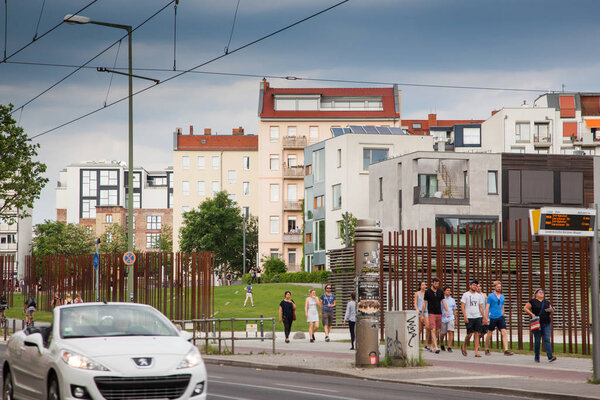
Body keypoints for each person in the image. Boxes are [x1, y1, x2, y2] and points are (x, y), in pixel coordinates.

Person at [524, 288, 557, 363]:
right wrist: (532, 315)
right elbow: (525, 308)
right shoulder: (532, 301)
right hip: (537, 323)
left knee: (547, 339)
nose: (541, 293)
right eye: (539, 292)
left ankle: (550, 356)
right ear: (536, 294)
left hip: (546, 322)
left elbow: (550, 311)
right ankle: (537, 357)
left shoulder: (546, 302)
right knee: (537, 340)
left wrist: (551, 311)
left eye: (542, 292)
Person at [485, 281, 513, 356]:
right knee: (490, 332)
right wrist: (486, 317)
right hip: (492, 316)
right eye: (497, 287)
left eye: (500, 287)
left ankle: (506, 349)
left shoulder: (502, 296)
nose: (499, 288)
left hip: (500, 316)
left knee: (504, 331)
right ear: (494, 287)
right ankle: (487, 348)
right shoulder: (490, 296)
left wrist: (503, 312)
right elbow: (487, 307)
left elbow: (502, 306)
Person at [422, 277, 449, 354]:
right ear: (433, 283)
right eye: (435, 283)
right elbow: (424, 303)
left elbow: (443, 302)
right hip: (431, 313)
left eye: (438, 284)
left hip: (439, 313)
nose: (437, 285)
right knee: (433, 329)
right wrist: (422, 314)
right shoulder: (428, 292)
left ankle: (432, 346)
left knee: (437, 330)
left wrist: (447, 311)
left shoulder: (440, 292)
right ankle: (436, 347)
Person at [461, 280, 486, 357]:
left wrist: (484, 317)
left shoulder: (479, 296)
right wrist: (464, 316)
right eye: (473, 285)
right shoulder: (466, 295)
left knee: (477, 333)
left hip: (477, 316)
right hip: (469, 316)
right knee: (469, 334)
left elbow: (481, 307)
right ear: (470, 286)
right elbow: (462, 306)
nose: (474, 286)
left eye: (476, 285)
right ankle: (464, 345)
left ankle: (476, 351)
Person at [440, 286, 457, 352]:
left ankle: (449, 346)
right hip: (443, 317)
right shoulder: (441, 300)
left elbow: (454, 310)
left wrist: (456, 319)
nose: (449, 292)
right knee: (443, 333)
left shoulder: (452, 300)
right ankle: (441, 343)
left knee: (450, 331)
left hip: (451, 317)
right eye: (447, 290)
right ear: (444, 291)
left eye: (449, 290)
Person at [414, 281, 431, 350]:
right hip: (419, 312)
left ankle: (426, 344)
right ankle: (417, 344)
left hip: (426, 311)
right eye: (423, 285)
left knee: (427, 327)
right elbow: (415, 303)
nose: (424, 286)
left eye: (425, 285)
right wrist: (417, 309)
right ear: (420, 286)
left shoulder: (427, 293)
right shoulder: (417, 293)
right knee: (419, 329)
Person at [477, 283, 488, 349]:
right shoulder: (474, 295)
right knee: (478, 330)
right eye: (477, 286)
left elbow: (486, 304)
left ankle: (477, 339)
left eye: (479, 286)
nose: (478, 288)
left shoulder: (484, 295)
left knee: (484, 330)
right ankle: (477, 344)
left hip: (484, 314)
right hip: (477, 314)